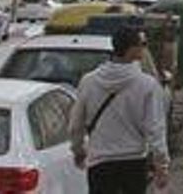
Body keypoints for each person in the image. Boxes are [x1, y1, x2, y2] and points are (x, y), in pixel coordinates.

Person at [68, 26, 171, 193]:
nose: (144, 48)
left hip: (99, 163)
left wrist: (78, 150)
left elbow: (75, 125)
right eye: (142, 44)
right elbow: (155, 128)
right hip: (134, 163)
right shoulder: (147, 85)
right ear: (132, 49)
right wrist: (161, 165)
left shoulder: (88, 81)